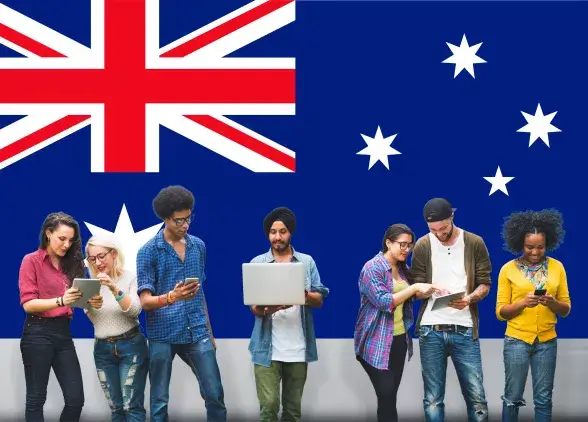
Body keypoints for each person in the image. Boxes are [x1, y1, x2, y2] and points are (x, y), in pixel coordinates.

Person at [136, 185, 226, 422]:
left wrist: (210, 333)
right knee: (159, 402)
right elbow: (145, 302)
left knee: (215, 394)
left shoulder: (199, 246)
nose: (185, 225)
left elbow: (200, 293)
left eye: (189, 218)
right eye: (179, 220)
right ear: (166, 218)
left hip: (197, 331)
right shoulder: (148, 252)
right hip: (162, 335)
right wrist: (172, 297)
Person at [411, 198, 492, 422]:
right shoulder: (423, 245)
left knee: (477, 399)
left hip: (465, 329)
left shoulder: (474, 242)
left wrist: (469, 298)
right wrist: (427, 289)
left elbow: (485, 283)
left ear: (452, 217)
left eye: (443, 228)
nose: (438, 233)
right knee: (433, 399)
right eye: (433, 230)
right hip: (430, 329)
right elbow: (415, 288)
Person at [248, 207, 330, 422]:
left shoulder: (306, 262)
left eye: (282, 231)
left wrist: (301, 294)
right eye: (273, 232)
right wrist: (271, 308)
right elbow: (254, 308)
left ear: (290, 232)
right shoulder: (258, 263)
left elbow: (319, 299)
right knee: (269, 407)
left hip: (298, 349)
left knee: (293, 412)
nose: (277, 237)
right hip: (267, 350)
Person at [18, 212, 101, 422]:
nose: (66, 245)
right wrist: (61, 301)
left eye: (70, 240)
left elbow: (81, 303)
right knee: (36, 399)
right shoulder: (31, 261)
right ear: (48, 233)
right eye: (61, 238)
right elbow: (28, 304)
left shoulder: (74, 265)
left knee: (75, 400)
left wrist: (92, 303)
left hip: (64, 333)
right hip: (37, 332)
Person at [354, 223, 440, 422]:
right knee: (386, 394)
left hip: (399, 340)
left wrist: (426, 291)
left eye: (409, 245)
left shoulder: (402, 268)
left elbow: (406, 297)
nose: (406, 250)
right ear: (388, 243)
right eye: (402, 244)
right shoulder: (372, 268)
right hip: (375, 342)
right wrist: (414, 287)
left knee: (390, 397)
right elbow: (384, 302)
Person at [496, 209, 571, 422]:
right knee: (512, 397)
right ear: (520, 243)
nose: (535, 252)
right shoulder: (507, 270)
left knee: (544, 399)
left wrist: (552, 302)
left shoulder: (558, 267)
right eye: (530, 247)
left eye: (541, 247)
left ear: (548, 243)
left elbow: (566, 309)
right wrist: (522, 303)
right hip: (516, 341)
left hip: (547, 341)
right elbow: (501, 312)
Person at [84, 233, 149, 421]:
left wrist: (113, 288)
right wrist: (89, 305)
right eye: (92, 258)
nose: (97, 262)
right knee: (116, 408)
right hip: (103, 349)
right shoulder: (90, 283)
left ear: (113, 254)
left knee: (132, 407)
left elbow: (135, 310)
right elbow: (96, 320)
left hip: (131, 346)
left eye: (101, 256)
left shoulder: (130, 278)